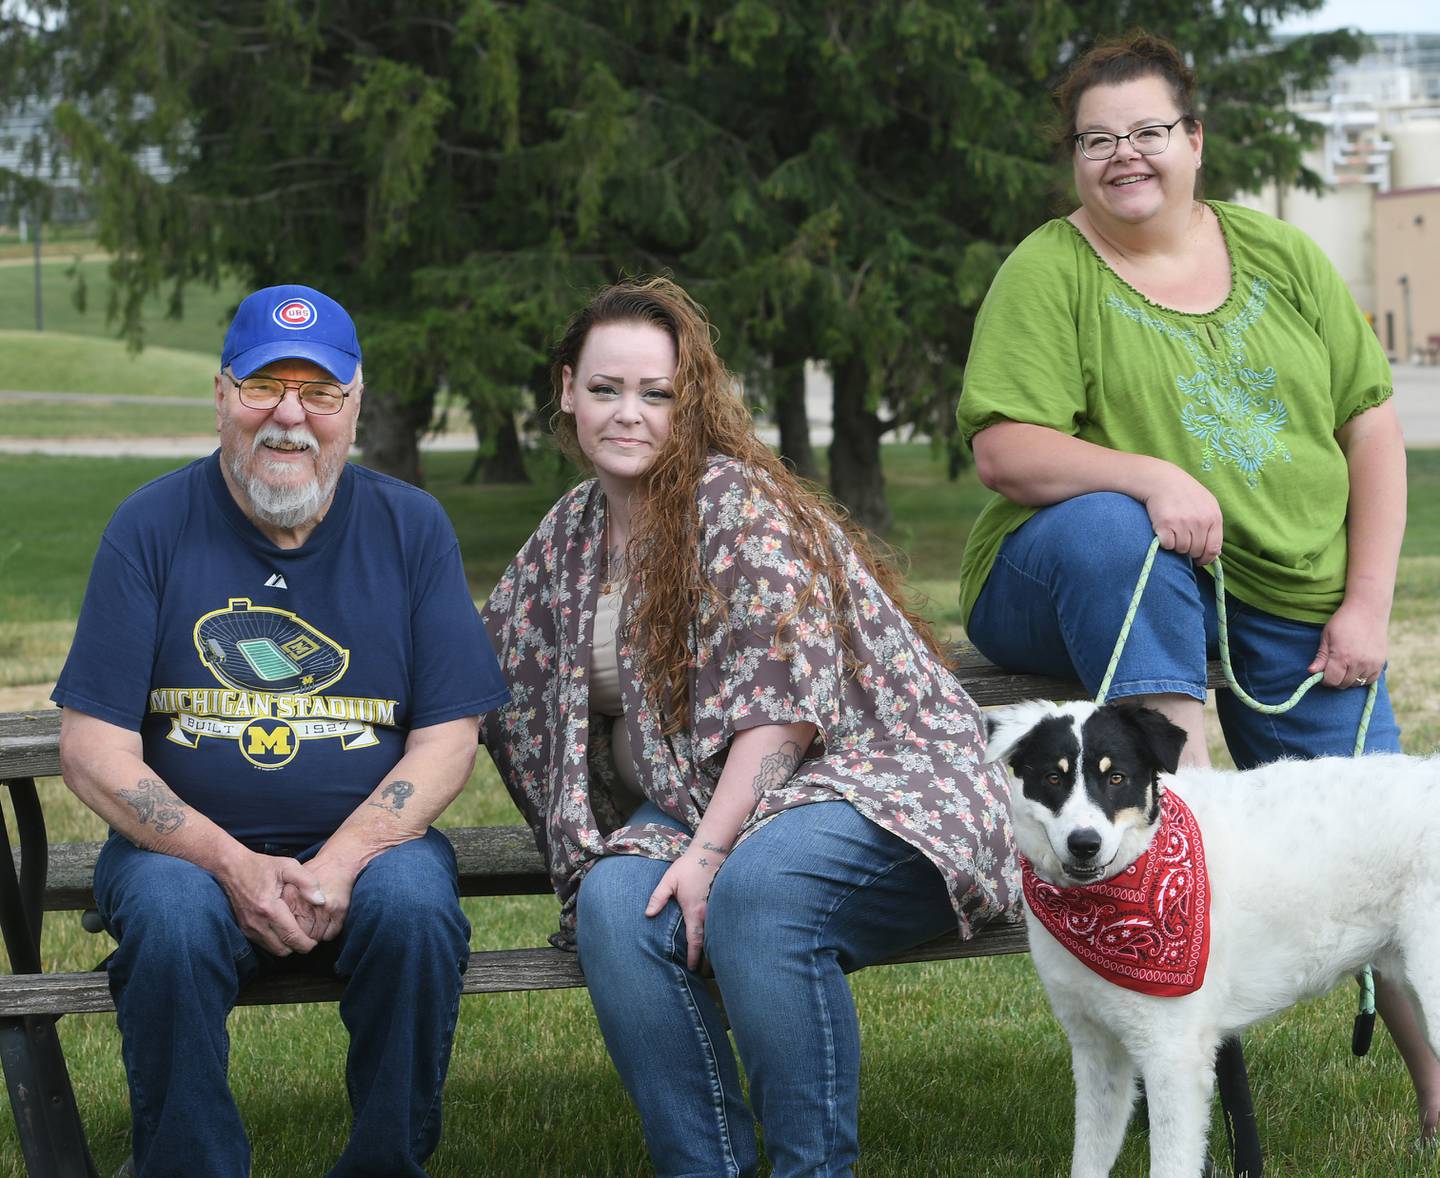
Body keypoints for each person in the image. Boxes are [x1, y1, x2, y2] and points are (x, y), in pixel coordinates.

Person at [954, 32, 1439, 1140]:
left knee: (1387, 832)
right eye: (1096, 138)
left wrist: (1364, 602)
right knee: (1125, 532)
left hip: (1291, 584)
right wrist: (1151, 473)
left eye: (1148, 131)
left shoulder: (1281, 257)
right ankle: (1190, 834)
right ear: (1074, 156)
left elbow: (1371, 426)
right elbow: (1005, 452)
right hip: (1081, 564)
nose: (1124, 155)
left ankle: (1434, 1091)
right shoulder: (1048, 269)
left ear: (1195, 138)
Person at [480, 276, 1017, 1176]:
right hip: (699, 801)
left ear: (686, 404)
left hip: (880, 783)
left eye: (655, 394)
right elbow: (480, 668)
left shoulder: (732, 503)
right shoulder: (570, 535)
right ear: (566, 388)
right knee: (617, 906)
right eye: (607, 389)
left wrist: (707, 852)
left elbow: (784, 714)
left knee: (759, 896)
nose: (629, 414)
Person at [51, 284, 510, 1178]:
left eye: (321, 393)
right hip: (178, 854)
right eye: (265, 386)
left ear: (355, 407)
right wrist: (231, 864)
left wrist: (339, 863)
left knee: (418, 912)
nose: (289, 418)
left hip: (372, 850)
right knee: (175, 923)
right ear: (222, 395)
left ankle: (386, 1165)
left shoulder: (412, 529)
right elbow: (91, 747)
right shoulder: (149, 528)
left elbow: (450, 737)